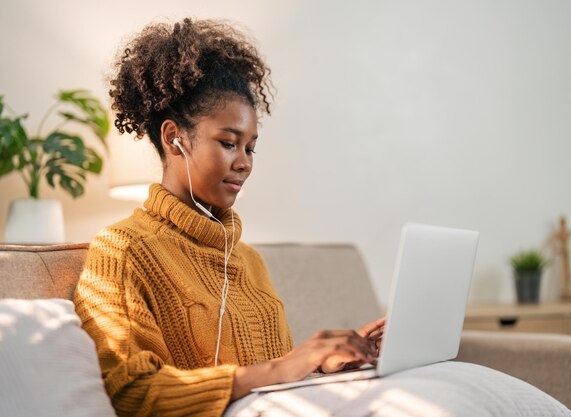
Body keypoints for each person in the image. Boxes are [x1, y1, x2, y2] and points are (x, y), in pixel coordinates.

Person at [74, 17, 384, 417]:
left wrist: (323, 365)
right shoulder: (123, 251)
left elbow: (273, 384)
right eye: (228, 143)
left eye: (250, 148)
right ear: (174, 139)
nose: (244, 164)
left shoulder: (250, 262)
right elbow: (132, 392)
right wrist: (279, 369)